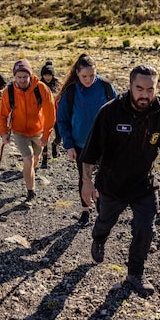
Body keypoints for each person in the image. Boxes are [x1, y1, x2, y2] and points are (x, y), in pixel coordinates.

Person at [81, 64, 160, 296]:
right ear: (130, 86)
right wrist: (86, 182)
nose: (145, 95)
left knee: (145, 229)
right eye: (140, 88)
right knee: (105, 221)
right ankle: (99, 238)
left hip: (143, 185)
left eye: (150, 89)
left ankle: (135, 274)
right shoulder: (110, 112)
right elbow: (90, 152)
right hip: (111, 184)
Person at [56, 53, 117, 227]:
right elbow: (63, 120)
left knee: (103, 178)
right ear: (77, 73)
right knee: (84, 178)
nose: (88, 79)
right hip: (81, 145)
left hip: (104, 144)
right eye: (84, 76)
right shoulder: (71, 92)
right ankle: (85, 210)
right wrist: (68, 145)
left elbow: (118, 113)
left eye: (92, 75)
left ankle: (101, 210)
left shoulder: (105, 87)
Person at [0, 59, 56, 206]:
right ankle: (31, 192)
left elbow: (50, 113)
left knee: (35, 160)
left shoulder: (41, 89)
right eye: (19, 77)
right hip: (19, 132)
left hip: (38, 131)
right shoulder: (9, 91)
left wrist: (47, 135)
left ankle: (30, 172)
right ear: (14, 77)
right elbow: (2, 114)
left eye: (25, 77)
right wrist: (4, 133)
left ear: (30, 75)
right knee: (28, 159)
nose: (22, 80)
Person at [39, 59, 62, 169]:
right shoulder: (39, 85)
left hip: (57, 115)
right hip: (44, 116)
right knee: (44, 138)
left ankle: (55, 146)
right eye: (45, 75)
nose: (47, 77)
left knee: (59, 136)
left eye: (49, 75)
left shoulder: (58, 84)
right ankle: (44, 160)